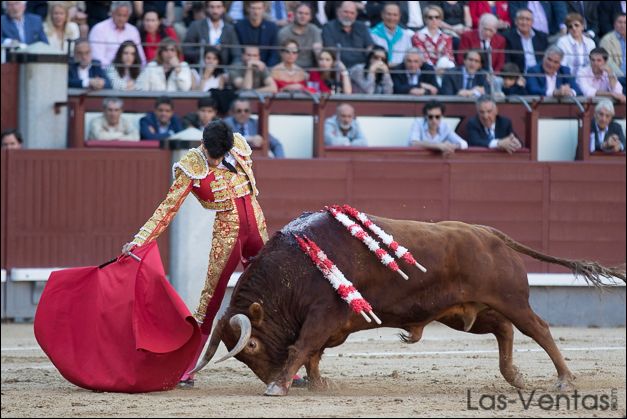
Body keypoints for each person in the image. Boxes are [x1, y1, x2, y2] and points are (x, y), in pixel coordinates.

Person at [121, 120, 269, 388]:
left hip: (257, 226)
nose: (215, 160)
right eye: (212, 155)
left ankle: (285, 365)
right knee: (210, 302)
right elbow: (167, 208)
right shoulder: (192, 165)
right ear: (203, 145)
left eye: (219, 156)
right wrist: (140, 240)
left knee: (272, 297)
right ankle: (188, 368)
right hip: (228, 234)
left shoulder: (238, 147)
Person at [183, 1, 241, 66]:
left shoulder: (230, 29)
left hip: (223, 71)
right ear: (206, 8)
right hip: (199, 69)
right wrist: (206, 50)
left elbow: (236, 54)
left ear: (224, 9)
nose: (215, 11)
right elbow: (186, 50)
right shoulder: (196, 26)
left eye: (218, 7)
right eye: (212, 7)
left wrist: (229, 73)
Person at [88, 1, 146, 66]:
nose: (121, 19)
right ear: (112, 13)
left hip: (131, 73)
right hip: (106, 72)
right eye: (119, 15)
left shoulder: (133, 31)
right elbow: (97, 58)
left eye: (125, 16)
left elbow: (141, 58)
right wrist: (116, 70)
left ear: (129, 15)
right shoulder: (99, 29)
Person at [321, 1, 374, 69]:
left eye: (352, 13)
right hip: (339, 67)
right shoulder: (328, 27)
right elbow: (330, 50)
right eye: (345, 12)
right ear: (338, 12)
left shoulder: (362, 27)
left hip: (362, 66)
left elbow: (370, 46)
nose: (348, 15)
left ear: (356, 15)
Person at [502, 8, 549, 73]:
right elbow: (507, 61)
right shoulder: (508, 37)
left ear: (532, 22)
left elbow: (546, 59)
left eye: (528, 19)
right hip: (519, 74)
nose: (524, 22)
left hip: (539, 74)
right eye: (521, 19)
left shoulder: (542, 37)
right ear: (516, 21)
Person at [234, 0, 280, 67]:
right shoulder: (239, 26)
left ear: (263, 9)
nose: (256, 12)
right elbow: (236, 51)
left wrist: (267, 69)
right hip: (243, 66)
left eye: (259, 8)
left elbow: (274, 53)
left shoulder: (272, 28)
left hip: (265, 67)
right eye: (253, 8)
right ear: (248, 9)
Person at [278, 2, 322, 69]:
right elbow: (281, 57)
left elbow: (319, 53)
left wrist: (318, 52)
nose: (303, 16)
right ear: (294, 14)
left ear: (310, 17)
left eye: (306, 14)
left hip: (311, 69)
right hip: (290, 68)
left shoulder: (315, 30)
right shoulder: (284, 32)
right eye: (300, 13)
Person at [370, 2, 414, 68]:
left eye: (395, 15)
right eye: (389, 14)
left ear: (399, 16)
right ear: (382, 15)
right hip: (379, 70)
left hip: (400, 73)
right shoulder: (372, 34)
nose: (391, 18)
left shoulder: (406, 35)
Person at [556, 13, 597, 78]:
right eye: (570, 26)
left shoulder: (590, 42)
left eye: (576, 25)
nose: (574, 28)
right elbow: (562, 66)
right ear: (568, 29)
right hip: (570, 77)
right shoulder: (562, 42)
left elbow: (593, 64)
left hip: (588, 78)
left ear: (583, 26)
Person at [599, 13, 626, 80]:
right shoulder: (606, 40)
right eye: (620, 22)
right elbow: (607, 61)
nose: (623, 25)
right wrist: (622, 76)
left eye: (625, 22)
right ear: (614, 24)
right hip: (617, 76)